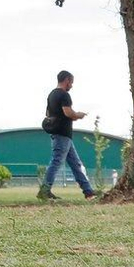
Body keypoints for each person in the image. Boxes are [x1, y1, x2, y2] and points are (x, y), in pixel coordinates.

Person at [38, 70, 96, 201]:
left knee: (76, 164)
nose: (72, 85)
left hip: (60, 135)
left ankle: (89, 192)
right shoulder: (64, 95)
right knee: (56, 161)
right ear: (67, 80)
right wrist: (78, 115)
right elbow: (68, 112)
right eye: (71, 82)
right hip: (62, 134)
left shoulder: (51, 94)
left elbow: (48, 113)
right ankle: (44, 191)